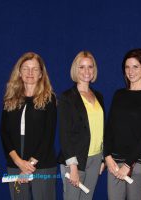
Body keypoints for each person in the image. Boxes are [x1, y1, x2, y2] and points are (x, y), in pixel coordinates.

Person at [0, 52, 57, 200]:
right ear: (19, 72)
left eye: (35, 69)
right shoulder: (10, 98)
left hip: (42, 166)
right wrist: (19, 162)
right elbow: (4, 132)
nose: (30, 73)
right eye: (26, 68)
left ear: (41, 74)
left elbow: (48, 136)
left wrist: (28, 167)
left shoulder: (49, 99)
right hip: (15, 166)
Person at [104, 48, 141, 200]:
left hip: (138, 163)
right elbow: (109, 128)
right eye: (127, 67)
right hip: (114, 163)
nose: (131, 71)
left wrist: (128, 164)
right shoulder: (119, 94)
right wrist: (107, 157)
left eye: (135, 66)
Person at [58, 51, 104, 200]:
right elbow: (64, 134)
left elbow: (102, 129)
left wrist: (103, 159)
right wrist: (73, 167)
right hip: (75, 160)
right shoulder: (67, 97)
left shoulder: (99, 96)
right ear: (75, 70)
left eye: (90, 67)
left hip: (95, 159)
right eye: (82, 67)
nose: (86, 71)